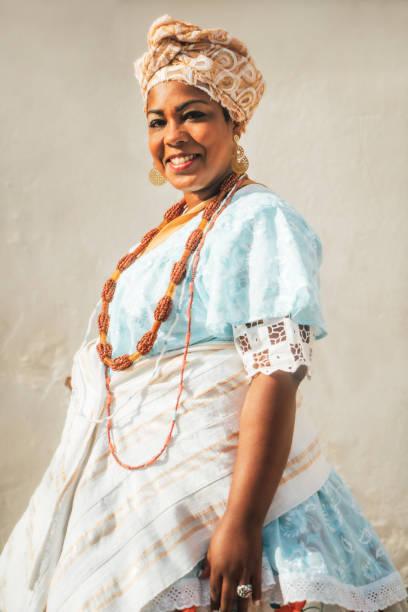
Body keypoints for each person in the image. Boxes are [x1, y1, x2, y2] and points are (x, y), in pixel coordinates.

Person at [0, 14, 406, 612]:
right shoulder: (162, 236)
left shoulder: (260, 218)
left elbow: (276, 372)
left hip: (220, 501)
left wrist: (242, 520)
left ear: (233, 121)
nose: (174, 135)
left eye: (193, 113)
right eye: (157, 120)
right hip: (135, 495)